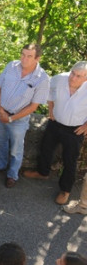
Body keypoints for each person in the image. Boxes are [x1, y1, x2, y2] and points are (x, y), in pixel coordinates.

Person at [22, 61, 87, 205]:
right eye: (73, 73)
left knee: (70, 160)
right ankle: (42, 172)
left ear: (86, 78)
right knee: (46, 148)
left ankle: (65, 191)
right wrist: (50, 109)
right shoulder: (60, 78)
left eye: (79, 76)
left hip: (74, 129)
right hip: (55, 122)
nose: (73, 78)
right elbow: (49, 91)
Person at [0, 43, 49, 188]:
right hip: (1, 112)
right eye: (23, 54)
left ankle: (12, 175)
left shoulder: (42, 78)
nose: (24, 59)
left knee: (16, 148)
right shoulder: (11, 66)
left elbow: (34, 106)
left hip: (19, 119)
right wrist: (0, 109)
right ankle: (0, 165)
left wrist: (10, 119)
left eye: (29, 56)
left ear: (37, 58)